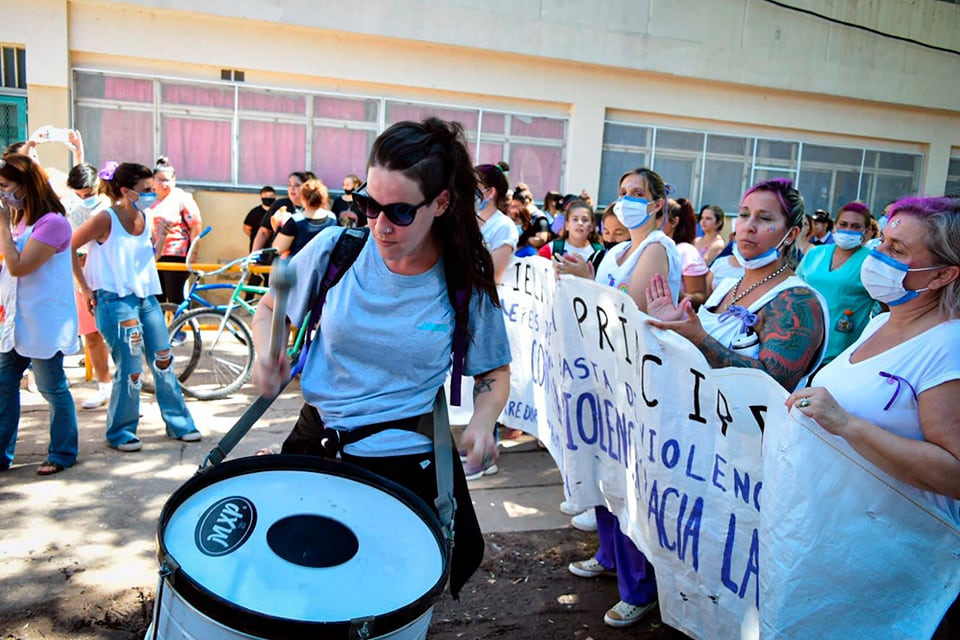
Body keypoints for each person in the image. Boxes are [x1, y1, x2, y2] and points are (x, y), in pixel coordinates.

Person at [251, 118, 511, 598]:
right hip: (318, 444)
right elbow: (270, 308)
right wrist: (268, 355)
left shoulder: (464, 281)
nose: (379, 225)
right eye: (368, 204)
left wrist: (481, 420)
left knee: (377, 598)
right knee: (294, 588)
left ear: (440, 203)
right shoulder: (338, 250)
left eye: (399, 212)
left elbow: (494, 371)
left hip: (403, 465)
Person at [786, 196, 959, 628]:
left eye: (898, 250)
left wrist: (846, 424)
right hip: (838, 545)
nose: (877, 254)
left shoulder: (948, 346)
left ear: (943, 274)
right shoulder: (883, 320)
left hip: (896, 560)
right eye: (881, 240)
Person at [563, 167, 681, 628]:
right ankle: (609, 556)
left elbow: (625, 309)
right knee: (605, 467)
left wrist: (587, 284)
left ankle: (640, 588)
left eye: (638, 193)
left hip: (638, 380)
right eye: (622, 192)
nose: (627, 199)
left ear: (655, 204)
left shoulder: (657, 248)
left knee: (630, 480)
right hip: (605, 374)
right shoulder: (616, 250)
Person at [646, 177, 827, 393]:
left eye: (765, 218)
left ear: (791, 235)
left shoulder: (798, 301)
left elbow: (770, 387)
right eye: (744, 214)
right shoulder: (725, 287)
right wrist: (672, 326)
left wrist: (699, 339)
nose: (748, 227)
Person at [71, 162, 202, 452]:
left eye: (152, 188)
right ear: (126, 191)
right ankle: (120, 432)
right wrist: (85, 287)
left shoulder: (145, 215)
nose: (151, 194)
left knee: (163, 361)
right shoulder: (105, 218)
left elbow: (142, 261)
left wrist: (162, 240)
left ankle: (180, 424)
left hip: (146, 298)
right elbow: (70, 245)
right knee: (130, 369)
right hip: (115, 300)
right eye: (145, 190)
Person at [0, 154, 79, 475]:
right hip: (16, 322)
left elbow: (19, 266)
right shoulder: (22, 220)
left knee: (52, 388)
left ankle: (62, 452)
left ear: (26, 186)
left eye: (5, 186)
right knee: (4, 387)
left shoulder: (54, 224)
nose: (2, 193)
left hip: (44, 323)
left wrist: (2, 226)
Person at [797, 201, 875, 364]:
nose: (848, 230)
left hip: (841, 349)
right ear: (834, 227)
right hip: (802, 342)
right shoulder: (815, 253)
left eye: (855, 226)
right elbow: (796, 288)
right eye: (843, 224)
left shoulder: (871, 262)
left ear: (866, 232)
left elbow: (883, 307)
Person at [64, 163, 114, 409]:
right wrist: (83, 286)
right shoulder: (73, 211)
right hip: (82, 281)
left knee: (117, 338)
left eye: (89, 193)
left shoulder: (111, 208)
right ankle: (104, 386)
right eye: (80, 194)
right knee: (91, 336)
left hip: (109, 281)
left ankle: (126, 390)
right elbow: (69, 248)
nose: (85, 199)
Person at [148, 157, 203, 305]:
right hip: (152, 255)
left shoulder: (181, 198)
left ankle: (182, 326)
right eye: (160, 180)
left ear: (174, 181)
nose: (164, 184)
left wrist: (193, 253)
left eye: (167, 180)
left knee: (175, 296)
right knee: (156, 298)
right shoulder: (149, 200)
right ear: (153, 180)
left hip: (175, 254)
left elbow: (196, 225)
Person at [272, 178, 338, 260]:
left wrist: (278, 227)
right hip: (324, 267)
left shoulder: (296, 220)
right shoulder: (332, 219)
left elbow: (278, 249)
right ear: (323, 198)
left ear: (302, 198)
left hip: (299, 268)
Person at [475, 162, 519, 283]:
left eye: (475, 186)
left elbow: (494, 277)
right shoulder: (468, 220)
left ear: (490, 192)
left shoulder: (504, 226)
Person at [665, 198, 709, 308]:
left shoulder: (685, 251)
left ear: (674, 221)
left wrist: (677, 295)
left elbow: (700, 297)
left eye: (659, 215)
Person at [538, 200, 604, 270]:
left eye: (585, 220)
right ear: (566, 225)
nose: (580, 223)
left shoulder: (599, 252)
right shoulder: (552, 248)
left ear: (592, 226)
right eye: (575, 219)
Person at [243, 186, 276, 252]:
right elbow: (246, 228)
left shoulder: (278, 211)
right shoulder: (254, 212)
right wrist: (257, 237)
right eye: (266, 195)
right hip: (257, 248)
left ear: (275, 197)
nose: (268, 198)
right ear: (261, 196)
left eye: (271, 196)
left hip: (273, 247)